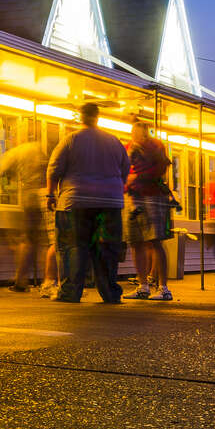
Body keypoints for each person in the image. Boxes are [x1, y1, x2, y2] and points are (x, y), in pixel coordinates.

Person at [46, 102, 130, 304]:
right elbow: (125, 169)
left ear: (80, 117)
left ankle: (70, 293)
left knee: (72, 247)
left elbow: (53, 169)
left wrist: (50, 195)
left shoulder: (70, 139)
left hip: (75, 203)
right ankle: (110, 293)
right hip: (110, 203)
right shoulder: (113, 141)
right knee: (107, 249)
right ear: (98, 117)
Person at [1, 122, 55, 295]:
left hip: (29, 195)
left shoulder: (18, 151)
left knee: (27, 239)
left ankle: (21, 280)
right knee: (45, 240)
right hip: (43, 195)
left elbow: (0, 170)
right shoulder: (40, 149)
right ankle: (49, 278)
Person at [123, 120, 174, 301]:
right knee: (136, 242)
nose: (135, 133)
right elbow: (122, 168)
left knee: (154, 241)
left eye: (137, 130)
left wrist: (138, 176)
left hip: (153, 196)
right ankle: (143, 285)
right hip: (133, 197)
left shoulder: (155, 146)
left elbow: (162, 167)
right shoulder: (129, 147)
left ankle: (163, 287)